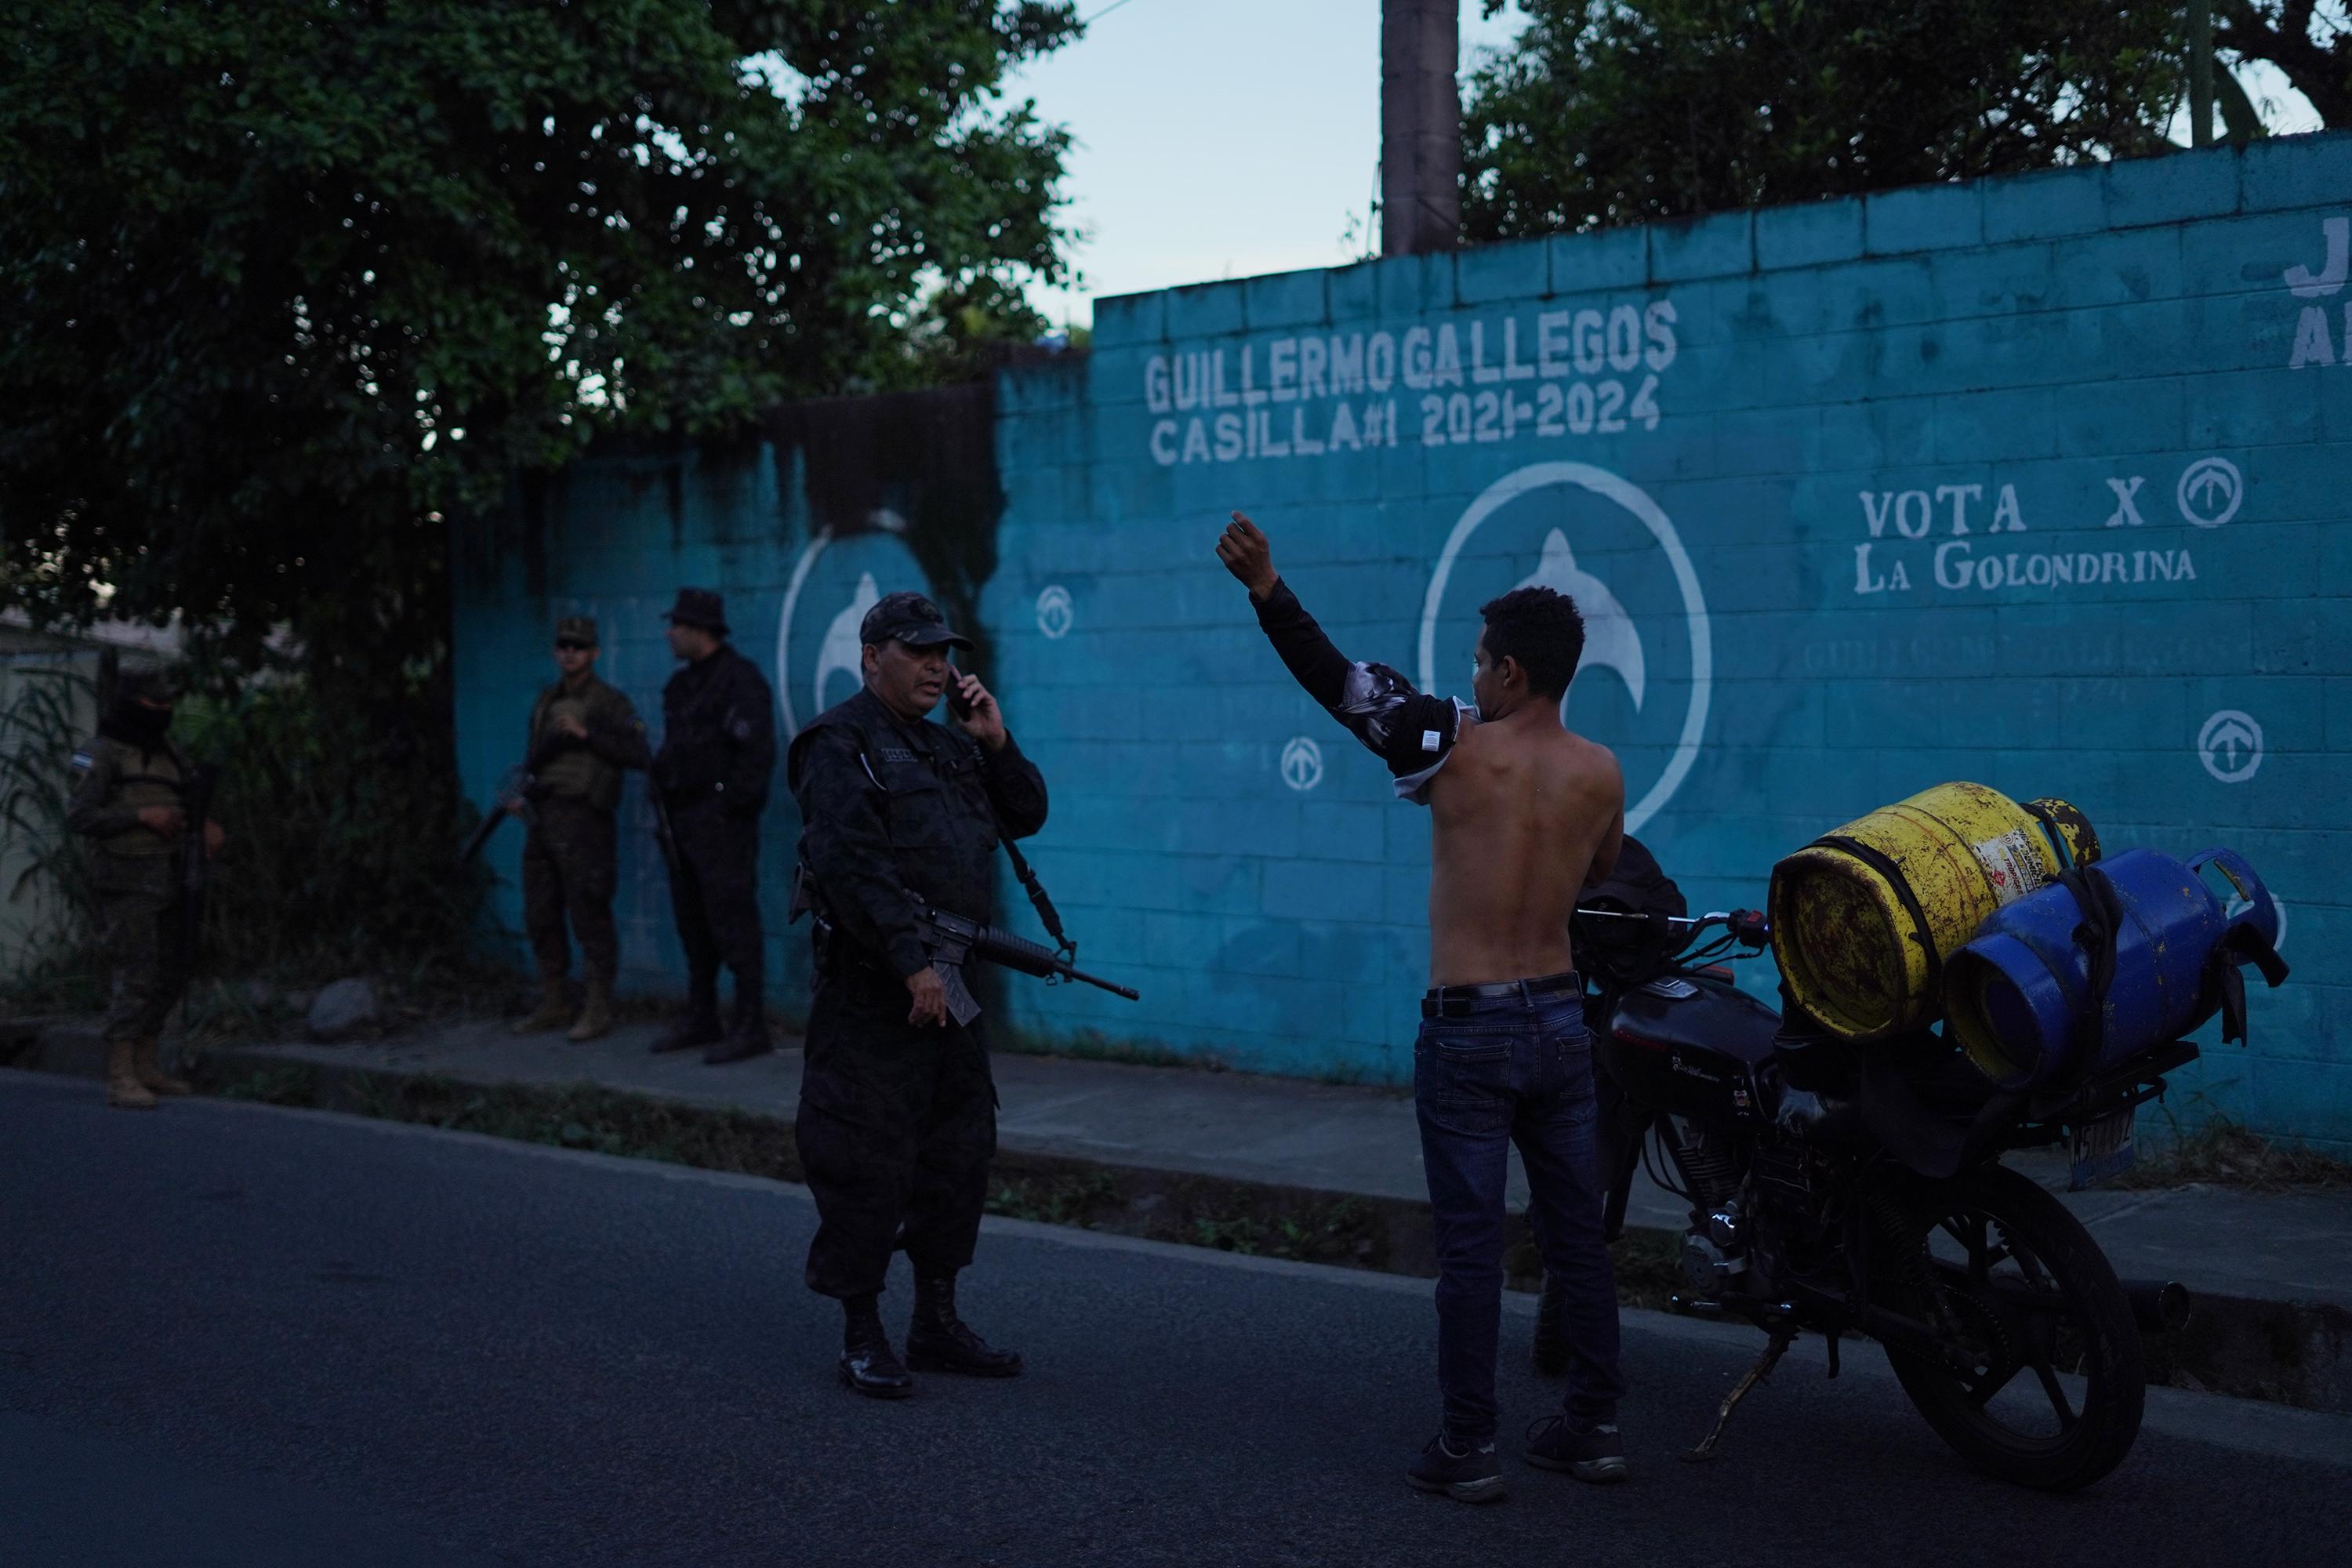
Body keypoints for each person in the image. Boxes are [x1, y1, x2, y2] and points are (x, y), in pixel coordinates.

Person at [1217, 512, 1627, 1504]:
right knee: (1578, 1235)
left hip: (1472, 1025)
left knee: (1473, 1247)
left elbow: (1335, 680)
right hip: (1563, 1018)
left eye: (1482, 662)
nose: (1473, 675)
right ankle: (1595, 1427)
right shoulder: (1601, 771)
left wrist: (1270, 586)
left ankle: (1470, 1443)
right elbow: (1601, 875)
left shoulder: (1451, 745)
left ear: (1514, 674)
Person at [787, 590, 1048, 1399]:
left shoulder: (950, 746)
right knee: (866, 1159)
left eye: (944, 652)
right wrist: (912, 963)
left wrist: (996, 741)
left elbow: (1028, 813)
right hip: (876, 995)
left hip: (948, 993)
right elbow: (853, 864)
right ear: (873, 657)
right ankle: (860, 1332)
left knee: (957, 1154)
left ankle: (934, 1319)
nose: (938, 664)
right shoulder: (839, 744)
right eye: (918, 650)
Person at [65, 666, 223, 1109]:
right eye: (155, 705)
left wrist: (205, 825)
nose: (164, 712)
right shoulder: (98, 753)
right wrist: (140, 817)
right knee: (134, 972)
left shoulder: (170, 754)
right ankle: (121, 1074)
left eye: (168, 704)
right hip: (125, 878)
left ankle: (147, 1064)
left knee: (172, 967)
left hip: (174, 875)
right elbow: (79, 816)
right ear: (132, 704)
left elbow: (190, 802)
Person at [650, 588, 777, 1065]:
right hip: (682, 824)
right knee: (693, 924)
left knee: (734, 924)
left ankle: (751, 1024)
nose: (669, 633)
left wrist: (727, 809)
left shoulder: (739, 682)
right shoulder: (682, 686)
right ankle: (702, 1015)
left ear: (700, 630)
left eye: (677, 625)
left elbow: (755, 758)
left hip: (722, 827)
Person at [511, 615, 649, 1043]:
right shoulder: (546, 701)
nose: (570, 652)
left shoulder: (610, 703)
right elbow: (534, 757)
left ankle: (597, 1006)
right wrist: (524, 798)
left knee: (589, 913)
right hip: (544, 817)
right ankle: (554, 999)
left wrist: (587, 735)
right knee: (540, 912)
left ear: (594, 653)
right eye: (563, 645)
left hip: (585, 820)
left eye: (579, 645)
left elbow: (638, 753)